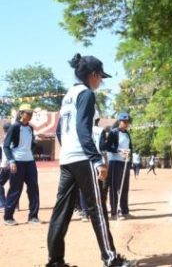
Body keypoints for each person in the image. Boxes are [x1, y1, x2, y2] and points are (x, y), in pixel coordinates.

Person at [46, 53, 136, 267]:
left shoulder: (68, 94)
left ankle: (55, 261)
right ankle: (110, 259)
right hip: (83, 158)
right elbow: (83, 129)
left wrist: (68, 148)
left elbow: (60, 130)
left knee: (62, 209)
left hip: (67, 158)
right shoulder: (86, 94)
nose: (101, 81)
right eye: (100, 77)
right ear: (93, 75)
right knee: (97, 209)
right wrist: (96, 159)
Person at [3, 104, 40, 226]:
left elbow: (30, 145)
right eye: (28, 113)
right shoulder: (14, 127)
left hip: (30, 162)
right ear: (21, 113)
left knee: (33, 189)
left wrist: (34, 144)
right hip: (17, 162)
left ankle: (33, 216)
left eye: (31, 113)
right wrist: (12, 161)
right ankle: (8, 217)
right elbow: (6, 146)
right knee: (15, 189)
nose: (30, 115)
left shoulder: (30, 128)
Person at [105, 112, 132, 221]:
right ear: (119, 122)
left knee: (124, 187)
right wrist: (119, 151)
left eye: (127, 122)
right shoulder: (113, 133)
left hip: (125, 163)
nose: (126, 124)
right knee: (115, 188)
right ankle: (115, 212)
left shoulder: (127, 134)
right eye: (124, 122)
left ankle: (125, 210)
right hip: (115, 162)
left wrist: (129, 158)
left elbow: (129, 148)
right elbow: (107, 146)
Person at [0, 122, 12, 212]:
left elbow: (5, 153)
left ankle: (3, 204)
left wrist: (4, 164)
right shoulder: (16, 137)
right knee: (15, 185)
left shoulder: (6, 138)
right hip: (16, 164)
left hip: (6, 165)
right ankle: (15, 206)